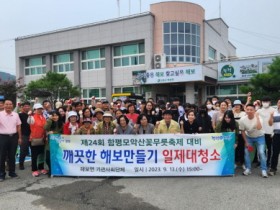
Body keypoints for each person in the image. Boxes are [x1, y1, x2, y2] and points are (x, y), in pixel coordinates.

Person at [239, 104, 268, 178]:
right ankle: (248, 168)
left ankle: (264, 170)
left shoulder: (259, 118)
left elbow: (259, 128)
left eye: (251, 109)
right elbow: (242, 131)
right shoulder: (242, 119)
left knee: (261, 152)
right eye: (247, 109)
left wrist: (257, 118)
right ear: (245, 110)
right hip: (249, 137)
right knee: (247, 152)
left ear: (254, 110)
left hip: (260, 137)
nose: (249, 111)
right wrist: (246, 141)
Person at [0, 100, 22, 182]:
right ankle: (1, 174)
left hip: (14, 137)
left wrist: (20, 138)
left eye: (10, 104)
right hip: (2, 137)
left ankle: (12, 172)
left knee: (12, 156)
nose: (8, 106)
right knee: (2, 156)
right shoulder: (0, 114)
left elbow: (19, 127)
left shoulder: (15, 115)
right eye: (6, 104)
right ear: (3, 105)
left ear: (12, 105)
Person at [27, 103, 48, 177]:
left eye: (40, 109)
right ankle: (34, 170)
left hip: (42, 139)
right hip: (34, 139)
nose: (39, 110)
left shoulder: (43, 117)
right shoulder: (32, 117)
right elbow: (29, 122)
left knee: (42, 154)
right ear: (34, 110)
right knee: (34, 155)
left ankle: (41, 168)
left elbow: (45, 127)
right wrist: (29, 115)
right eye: (37, 109)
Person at [44, 110, 63, 175]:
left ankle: (54, 170)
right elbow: (45, 128)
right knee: (47, 158)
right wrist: (49, 119)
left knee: (55, 157)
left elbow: (62, 133)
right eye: (53, 116)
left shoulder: (61, 123)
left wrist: (54, 133)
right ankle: (51, 169)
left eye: (56, 115)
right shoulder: (50, 122)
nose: (55, 117)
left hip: (58, 143)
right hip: (49, 143)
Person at [257, 97, 274, 168]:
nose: (265, 103)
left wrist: (273, 131)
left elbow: (275, 122)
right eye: (264, 101)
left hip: (270, 132)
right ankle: (261, 161)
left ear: (270, 102)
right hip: (261, 132)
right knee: (261, 148)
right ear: (261, 102)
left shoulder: (273, 110)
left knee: (269, 148)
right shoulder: (259, 111)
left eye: (267, 101)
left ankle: (268, 161)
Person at [232, 99, 246, 169]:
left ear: (241, 106)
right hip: (234, 133)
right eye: (235, 105)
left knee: (242, 148)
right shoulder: (232, 113)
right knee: (235, 149)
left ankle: (242, 162)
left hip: (242, 133)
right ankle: (235, 162)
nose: (236, 106)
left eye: (238, 105)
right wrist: (232, 113)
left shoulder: (244, 113)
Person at [268, 99, 280, 176]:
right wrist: (271, 116)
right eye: (279, 103)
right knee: (275, 152)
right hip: (276, 135)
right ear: (277, 103)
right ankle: (273, 169)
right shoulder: (274, 112)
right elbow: (270, 123)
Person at [18, 101, 31, 170]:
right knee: (23, 150)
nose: (27, 107)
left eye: (28, 106)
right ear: (22, 107)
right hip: (24, 135)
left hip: (32, 134)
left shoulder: (32, 114)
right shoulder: (20, 115)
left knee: (33, 150)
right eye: (25, 106)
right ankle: (21, 164)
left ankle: (34, 163)